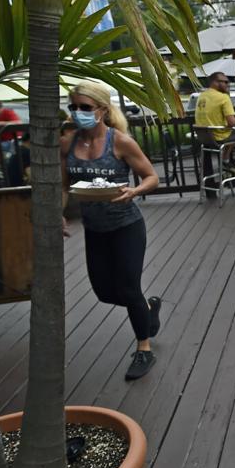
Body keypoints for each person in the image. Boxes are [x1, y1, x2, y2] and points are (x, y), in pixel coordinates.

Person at [61, 81, 162, 381]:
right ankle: (146, 308)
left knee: (129, 286)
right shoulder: (67, 144)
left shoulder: (120, 142)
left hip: (126, 225)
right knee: (104, 292)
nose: (78, 113)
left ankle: (143, 348)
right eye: (74, 107)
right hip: (95, 229)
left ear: (102, 110)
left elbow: (151, 177)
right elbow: (63, 184)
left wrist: (134, 191)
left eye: (85, 108)